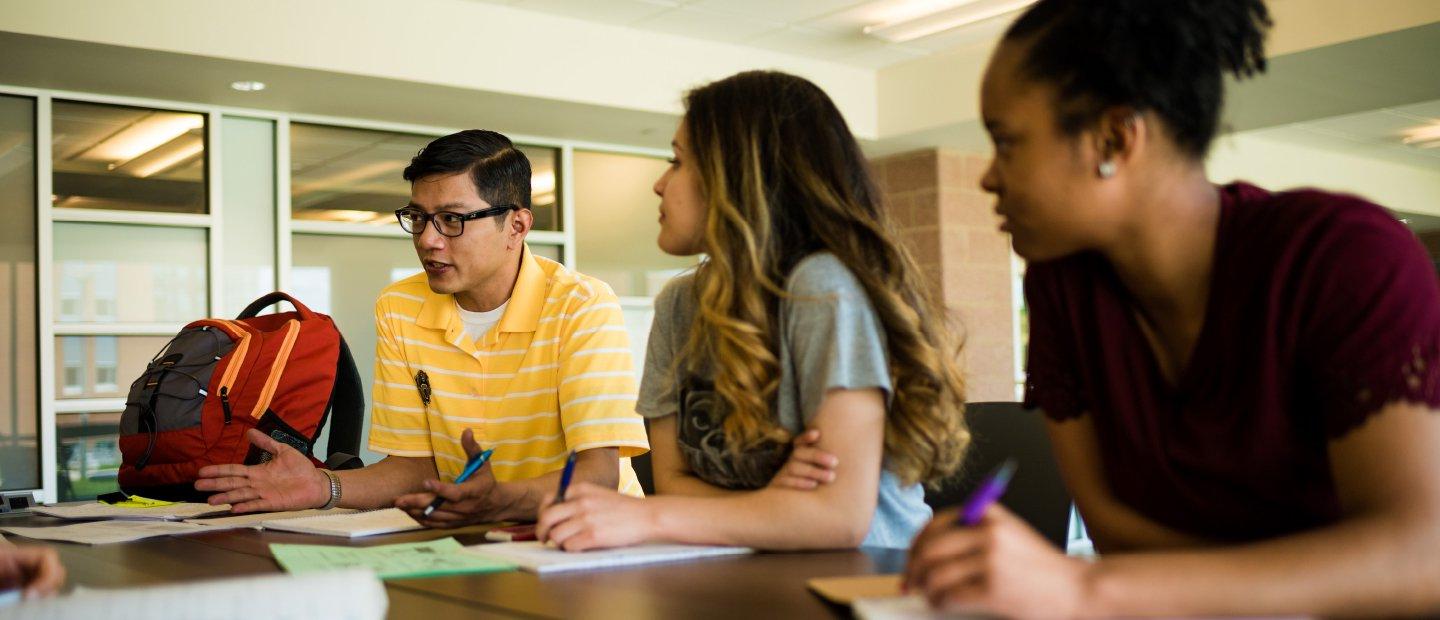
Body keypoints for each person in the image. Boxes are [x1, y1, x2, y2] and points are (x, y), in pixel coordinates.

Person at [903, 1, 1440, 617]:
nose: (989, 178)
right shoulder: (1063, 284)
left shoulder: (1344, 257)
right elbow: (1112, 527)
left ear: (1114, 138)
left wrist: (1083, 589)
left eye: (1006, 143)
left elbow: (1421, 556)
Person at [535, 70, 970, 551]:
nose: (660, 184)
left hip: (866, 577)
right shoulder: (678, 306)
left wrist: (648, 516)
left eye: (677, 162)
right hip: (748, 569)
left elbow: (837, 517)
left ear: (740, 175)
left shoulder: (820, 288)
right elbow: (674, 481)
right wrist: (773, 499)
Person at [195, 130, 650, 527]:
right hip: (473, 536)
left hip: (593, 538)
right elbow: (414, 468)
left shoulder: (580, 304)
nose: (428, 239)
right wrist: (321, 486)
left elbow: (598, 474)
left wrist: (498, 502)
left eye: (452, 220)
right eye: (418, 218)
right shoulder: (400, 307)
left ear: (516, 225)